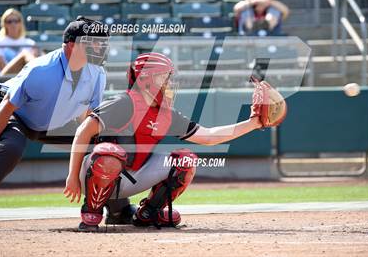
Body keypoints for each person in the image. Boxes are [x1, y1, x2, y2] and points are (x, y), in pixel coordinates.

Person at [63, 52, 287, 231]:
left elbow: (208, 136)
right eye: (163, 77)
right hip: (94, 174)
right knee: (109, 152)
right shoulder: (123, 103)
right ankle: (92, 211)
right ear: (145, 80)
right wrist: (73, 176)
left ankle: (147, 213)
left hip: (131, 178)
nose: (168, 83)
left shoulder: (165, 113)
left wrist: (253, 123)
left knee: (185, 161)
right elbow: (83, 131)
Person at [0, 16, 110, 232]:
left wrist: (94, 143)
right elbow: (6, 106)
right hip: (15, 113)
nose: (99, 47)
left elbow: (89, 116)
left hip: (53, 120)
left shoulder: (97, 73)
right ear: (72, 45)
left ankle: (119, 207)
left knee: (104, 145)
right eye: (93, 42)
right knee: (12, 147)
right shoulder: (40, 69)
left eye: (101, 43)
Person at [0, 8, 40, 77]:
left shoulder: (30, 43)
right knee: (25, 53)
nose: (13, 24)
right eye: (9, 21)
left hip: (25, 80)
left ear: (21, 23)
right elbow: (3, 69)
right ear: (4, 24)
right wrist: (22, 59)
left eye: (16, 21)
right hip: (3, 81)